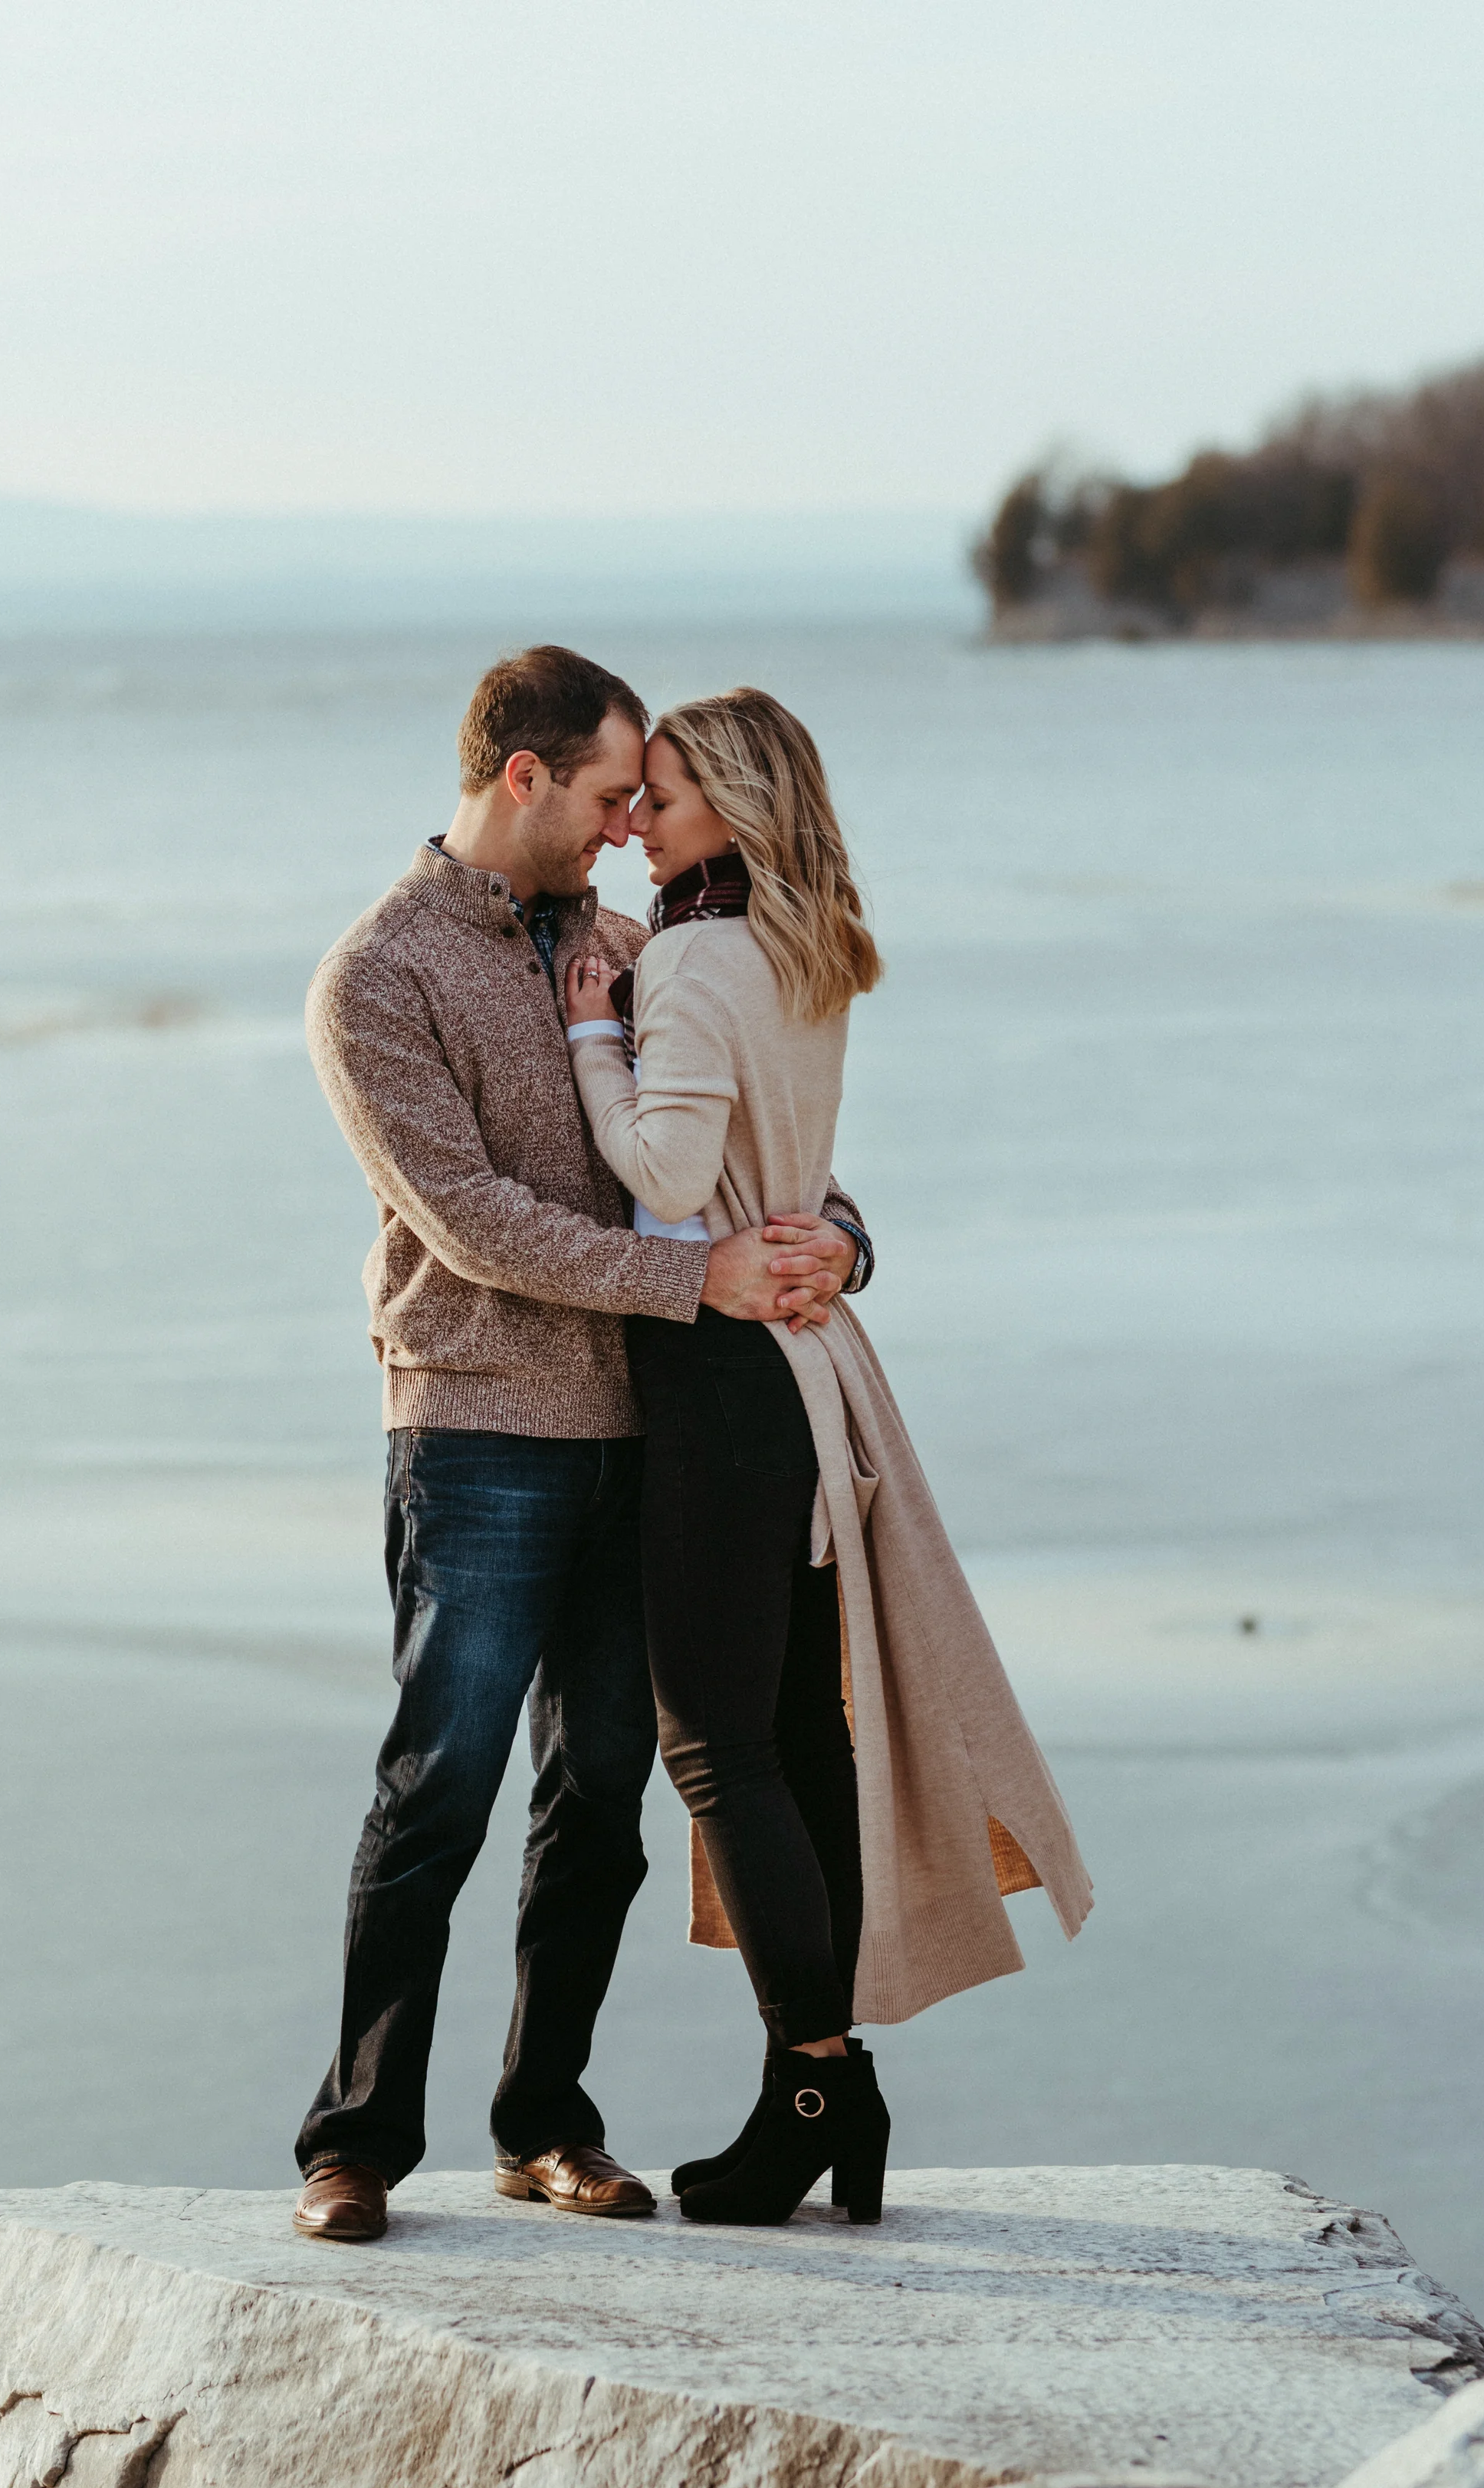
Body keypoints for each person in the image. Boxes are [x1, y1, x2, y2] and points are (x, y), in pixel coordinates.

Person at [292, 646, 875, 2243]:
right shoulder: (377, 978)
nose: (630, 825)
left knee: (602, 1795)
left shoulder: (632, 943)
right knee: (439, 1789)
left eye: (646, 798)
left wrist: (837, 1236)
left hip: (646, 1431)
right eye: (611, 794)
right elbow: (473, 1223)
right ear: (523, 778)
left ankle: (544, 2118)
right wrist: (698, 1278)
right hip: (478, 1425)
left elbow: (738, 1145)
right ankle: (352, 2138)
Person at [566, 688, 1092, 2227]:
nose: (637, 826)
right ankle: (828, 2095)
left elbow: (665, 1168)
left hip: (721, 1380)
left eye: (659, 799)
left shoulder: (685, 961)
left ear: (728, 809)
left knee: (718, 1745)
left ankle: (811, 2086)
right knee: (801, 1738)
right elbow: (776, 1167)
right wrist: (843, 1239)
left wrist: (597, 1025)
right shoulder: (804, 954)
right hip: (807, 1380)